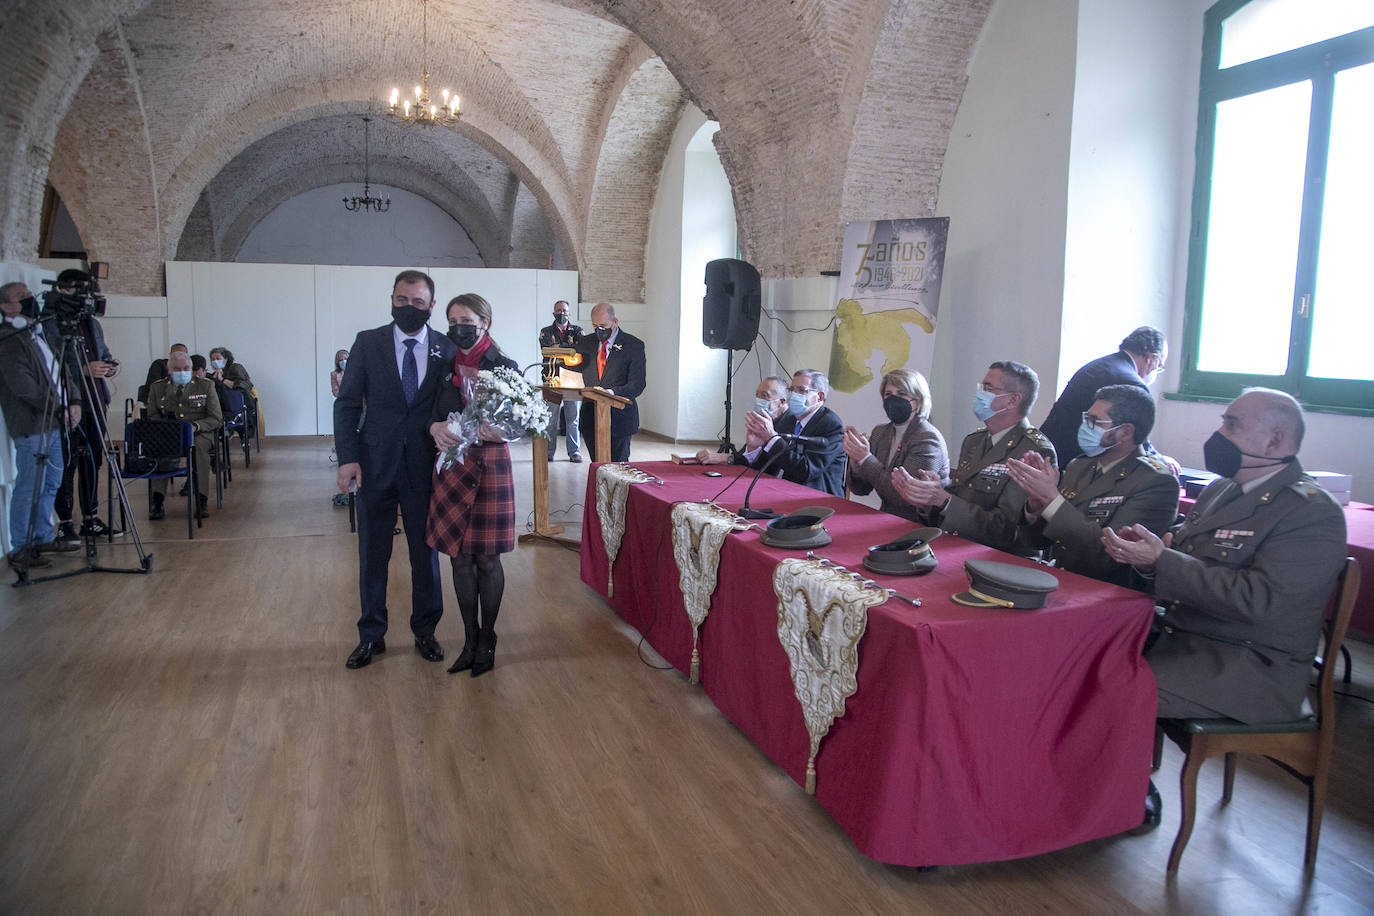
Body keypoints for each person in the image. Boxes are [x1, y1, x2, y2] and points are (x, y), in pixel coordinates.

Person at [1104, 388, 1347, 723]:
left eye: (1232, 425)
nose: (1218, 434)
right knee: (1075, 659)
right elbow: (1183, 560)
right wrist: (1147, 558)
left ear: (1274, 440)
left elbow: (1260, 601)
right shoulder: (1221, 489)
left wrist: (1163, 560)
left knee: (1107, 691)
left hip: (1249, 667)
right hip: (1183, 640)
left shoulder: (1310, 512)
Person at [335, 269, 457, 670]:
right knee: (373, 553)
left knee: (425, 554)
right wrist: (348, 457)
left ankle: (426, 630)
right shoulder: (367, 343)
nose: (409, 307)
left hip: (425, 465)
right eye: (402, 300)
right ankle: (371, 634)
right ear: (392, 299)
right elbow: (347, 403)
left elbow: (454, 405)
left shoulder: (446, 348)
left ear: (431, 306)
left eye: (418, 302)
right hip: (374, 464)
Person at [427, 293, 519, 677]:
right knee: (459, 558)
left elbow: (520, 421)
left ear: (485, 323)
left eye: (466, 321)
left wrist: (502, 429)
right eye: (452, 322)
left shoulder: (505, 366)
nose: (458, 328)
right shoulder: (442, 365)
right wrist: (434, 426)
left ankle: (488, 639)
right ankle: (469, 639)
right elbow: (428, 413)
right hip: (453, 465)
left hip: (490, 466)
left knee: (488, 559)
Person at [1007, 384, 1178, 588]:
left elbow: (1108, 556)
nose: (1085, 427)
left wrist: (1051, 500)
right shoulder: (1079, 466)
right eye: (1086, 418)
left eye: (1095, 421)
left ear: (1125, 432)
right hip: (1061, 580)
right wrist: (1036, 504)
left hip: (1109, 592)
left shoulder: (1154, 482)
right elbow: (1036, 542)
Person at [894, 360, 1056, 552]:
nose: (979, 393)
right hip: (959, 545)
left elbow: (1008, 530)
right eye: (981, 387)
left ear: (1012, 400)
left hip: (1000, 558)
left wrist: (944, 500)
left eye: (988, 388)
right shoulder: (974, 441)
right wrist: (928, 499)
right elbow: (958, 500)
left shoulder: (1033, 450)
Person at [0, 281, 82, 569]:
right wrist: (59, 408)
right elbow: (23, 385)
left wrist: (74, 400)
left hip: (55, 423)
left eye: (28, 294)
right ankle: (21, 545)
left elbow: (60, 370)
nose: (29, 299)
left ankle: (42, 536)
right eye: (21, 296)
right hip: (32, 425)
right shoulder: (8, 339)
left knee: (51, 483)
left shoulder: (38, 333)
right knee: (29, 486)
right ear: (5, 306)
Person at [49, 269, 121, 540]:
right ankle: (65, 523)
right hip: (69, 403)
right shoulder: (52, 323)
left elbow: (105, 354)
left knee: (93, 461)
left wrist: (109, 366)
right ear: (62, 289)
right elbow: (51, 363)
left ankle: (90, 519)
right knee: (67, 464)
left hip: (96, 401)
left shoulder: (92, 323)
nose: (85, 297)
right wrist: (82, 370)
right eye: (80, 290)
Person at [1040, 327, 1171, 468]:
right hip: (1075, 461)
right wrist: (1159, 460)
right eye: (1159, 366)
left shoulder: (1099, 364)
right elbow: (1135, 437)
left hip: (1049, 447)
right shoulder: (1132, 383)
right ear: (1151, 359)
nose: (1156, 371)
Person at [843, 368, 949, 522]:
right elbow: (860, 489)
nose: (893, 400)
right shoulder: (880, 432)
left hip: (919, 525)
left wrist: (865, 458)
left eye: (901, 394)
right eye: (888, 394)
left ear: (918, 401)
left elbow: (904, 499)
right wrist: (856, 460)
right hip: (886, 519)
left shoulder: (927, 438)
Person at [740, 369, 845, 497]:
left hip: (817, 498)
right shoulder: (788, 419)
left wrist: (772, 438)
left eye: (801, 390)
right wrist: (753, 448)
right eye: (792, 390)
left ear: (820, 396)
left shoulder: (830, 424)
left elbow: (806, 471)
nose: (794, 395)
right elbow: (767, 467)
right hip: (783, 491)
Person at [145, 350, 222, 520]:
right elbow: (152, 415)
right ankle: (157, 501)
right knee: (159, 449)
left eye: (186, 368)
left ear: (191, 368)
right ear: (169, 370)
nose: (182, 372)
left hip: (198, 431)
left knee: (199, 448)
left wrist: (196, 426)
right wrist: (165, 428)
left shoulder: (205, 386)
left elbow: (216, 418)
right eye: (177, 369)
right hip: (168, 432)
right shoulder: (158, 387)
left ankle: (201, 499)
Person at [574, 302, 646, 462]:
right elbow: (574, 369)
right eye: (595, 326)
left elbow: (637, 384)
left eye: (603, 325)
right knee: (597, 465)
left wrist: (610, 393)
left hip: (620, 417)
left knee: (618, 466)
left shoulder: (633, 345)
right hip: (591, 416)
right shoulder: (585, 343)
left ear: (615, 321)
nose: (599, 330)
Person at [694, 376, 789, 465]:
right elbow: (745, 458)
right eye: (757, 394)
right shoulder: (764, 420)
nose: (758, 400)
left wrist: (725, 458)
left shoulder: (790, 423)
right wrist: (750, 449)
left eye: (764, 395)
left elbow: (771, 466)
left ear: (781, 402)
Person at [539, 300, 582, 462]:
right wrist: (568, 350)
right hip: (551, 379)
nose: (561, 313)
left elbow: (580, 350)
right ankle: (548, 452)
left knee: (573, 420)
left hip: (573, 380)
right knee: (550, 420)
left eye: (564, 310)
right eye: (558, 310)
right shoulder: (545, 331)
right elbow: (546, 351)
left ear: (569, 313)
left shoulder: (577, 331)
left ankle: (574, 452)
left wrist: (558, 348)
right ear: (553, 313)